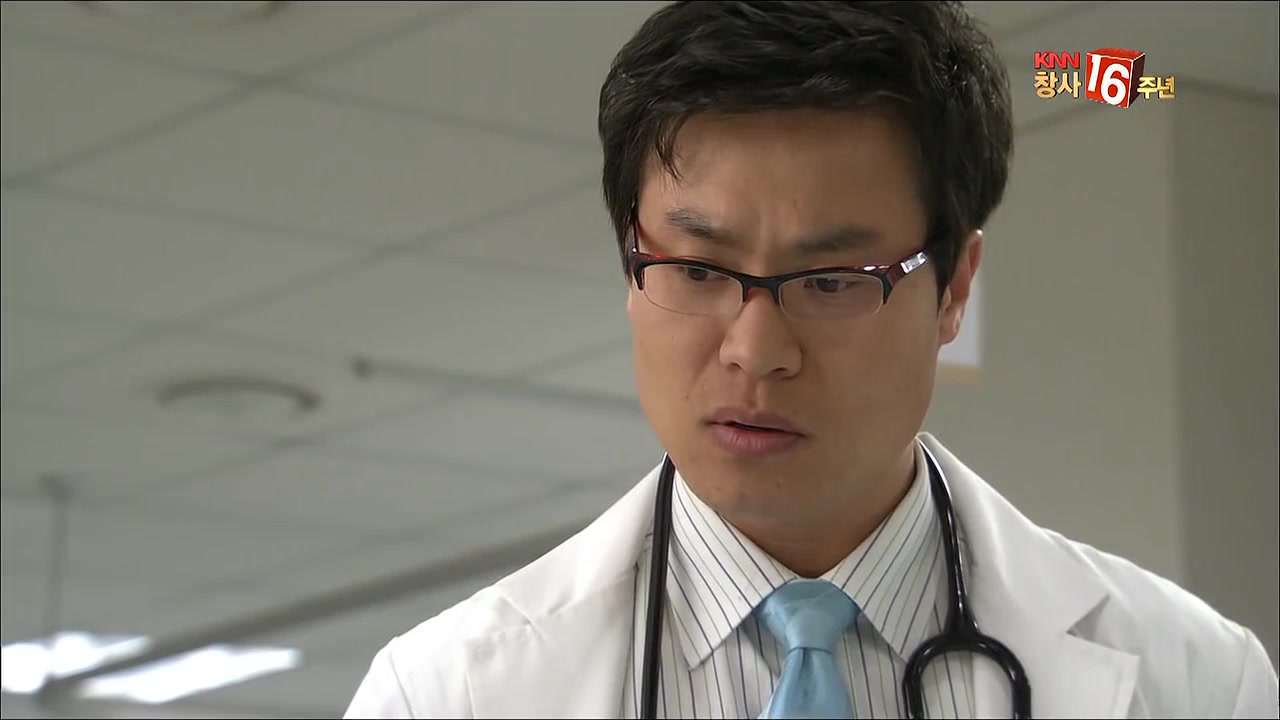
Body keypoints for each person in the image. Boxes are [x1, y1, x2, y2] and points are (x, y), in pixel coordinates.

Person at [344, 2, 1279, 718]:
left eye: (832, 280)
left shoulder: (1198, 682)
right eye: (698, 269)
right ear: (630, 263)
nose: (756, 351)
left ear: (955, 288)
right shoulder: (448, 695)